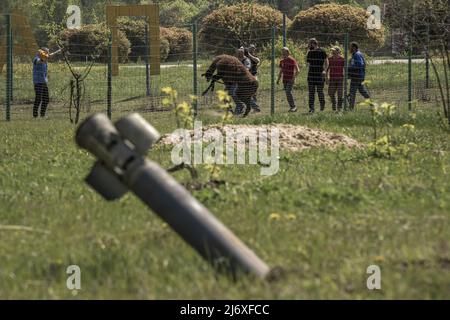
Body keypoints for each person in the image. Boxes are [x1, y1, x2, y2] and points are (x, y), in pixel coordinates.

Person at [32, 47, 61, 118]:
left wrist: (59, 51)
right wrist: (43, 57)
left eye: (48, 53)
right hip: (38, 82)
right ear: (42, 53)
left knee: (46, 99)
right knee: (38, 98)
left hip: (44, 81)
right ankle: (35, 115)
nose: (47, 54)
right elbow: (39, 61)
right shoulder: (36, 59)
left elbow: (50, 55)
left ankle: (42, 114)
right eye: (46, 53)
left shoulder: (44, 58)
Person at [306, 38, 328, 113]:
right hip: (311, 75)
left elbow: (326, 62)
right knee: (311, 92)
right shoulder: (310, 52)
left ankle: (322, 106)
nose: (308, 45)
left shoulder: (322, 51)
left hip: (320, 74)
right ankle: (311, 108)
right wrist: (308, 50)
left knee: (320, 91)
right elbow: (307, 63)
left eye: (309, 44)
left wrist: (324, 70)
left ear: (313, 43)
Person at [237, 47, 261, 113]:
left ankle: (254, 107)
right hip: (244, 78)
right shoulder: (240, 58)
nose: (252, 49)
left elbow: (257, 60)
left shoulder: (251, 57)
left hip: (253, 76)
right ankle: (253, 107)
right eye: (251, 48)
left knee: (252, 93)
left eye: (253, 48)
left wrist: (249, 55)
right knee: (243, 94)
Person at [348, 42, 370, 110]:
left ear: (354, 47)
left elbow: (360, 65)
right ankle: (371, 103)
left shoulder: (357, 55)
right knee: (362, 91)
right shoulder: (356, 54)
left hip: (356, 77)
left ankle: (351, 108)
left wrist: (349, 67)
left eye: (350, 47)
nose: (349, 48)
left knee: (352, 92)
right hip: (359, 76)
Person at [277, 47, 299, 112]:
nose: (282, 52)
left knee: (288, 92)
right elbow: (281, 70)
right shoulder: (282, 61)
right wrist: (278, 79)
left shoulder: (292, 60)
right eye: (282, 51)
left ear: (287, 52)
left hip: (290, 79)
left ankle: (294, 107)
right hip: (284, 79)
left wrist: (294, 78)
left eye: (284, 51)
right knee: (287, 93)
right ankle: (292, 106)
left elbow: (298, 70)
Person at [327, 47, 345, 111]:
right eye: (332, 51)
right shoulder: (329, 59)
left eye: (334, 51)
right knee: (330, 93)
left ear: (338, 52)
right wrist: (327, 77)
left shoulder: (342, 59)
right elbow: (327, 69)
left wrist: (345, 78)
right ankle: (334, 103)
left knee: (340, 94)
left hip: (340, 78)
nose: (332, 52)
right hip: (332, 78)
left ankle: (339, 107)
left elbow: (345, 69)